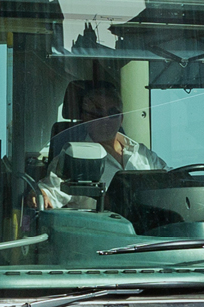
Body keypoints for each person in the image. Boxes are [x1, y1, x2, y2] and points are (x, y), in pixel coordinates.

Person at [34, 79, 166, 209]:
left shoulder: (143, 154)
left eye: (112, 113)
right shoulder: (74, 158)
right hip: (97, 229)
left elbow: (171, 181)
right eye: (97, 114)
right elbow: (51, 192)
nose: (106, 120)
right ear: (85, 118)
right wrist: (41, 195)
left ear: (121, 118)